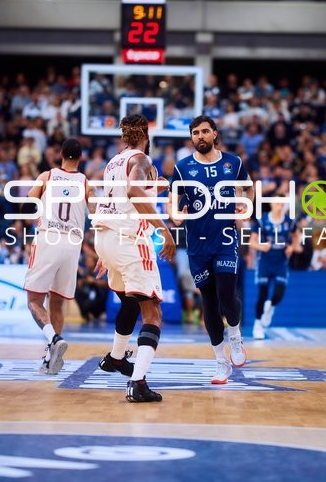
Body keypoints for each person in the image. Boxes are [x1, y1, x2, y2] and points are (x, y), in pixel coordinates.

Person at [92, 114, 176, 402]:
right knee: (152, 311)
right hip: (130, 240)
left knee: (129, 300)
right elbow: (134, 191)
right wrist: (164, 230)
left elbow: (124, 194)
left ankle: (116, 358)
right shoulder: (141, 160)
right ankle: (137, 383)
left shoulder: (114, 162)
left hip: (106, 238)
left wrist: (107, 252)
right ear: (146, 135)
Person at [170, 115, 254, 385]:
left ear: (215, 134)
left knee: (226, 293)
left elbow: (249, 190)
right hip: (198, 244)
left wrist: (244, 206)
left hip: (226, 238)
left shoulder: (234, 162)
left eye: (205, 131)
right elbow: (173, 203)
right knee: (208, 300)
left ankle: (236, 335)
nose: (200, 137)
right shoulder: (182, 168)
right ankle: (221, 362)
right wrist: (176, 217)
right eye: (195, 133)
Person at [23, 138, 87, 375]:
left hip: (49, 238)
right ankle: (51, 359)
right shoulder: (85, 182)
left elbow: (28, 204)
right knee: (57, 301)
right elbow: (99, 213)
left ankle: (53, 339)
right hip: (73, 244)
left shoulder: (47, 176)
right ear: (80, 158)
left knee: (34, 300)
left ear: (60, 154)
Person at [249, 201, 295, 339]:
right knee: (262, 294)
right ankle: (257, 325)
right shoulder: (262, 221)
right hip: (265, 261)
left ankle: (270, 307)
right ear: (271, 204)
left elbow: (296, 236)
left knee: (279, 294)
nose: (280, 206)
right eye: (277, 204)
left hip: (281, 262)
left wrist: (292, 247)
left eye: (282, 204)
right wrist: (261, 246)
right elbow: (252, 241)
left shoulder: (289, 222)